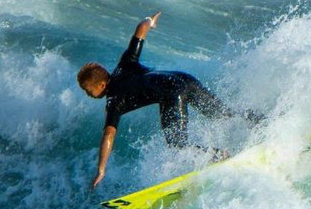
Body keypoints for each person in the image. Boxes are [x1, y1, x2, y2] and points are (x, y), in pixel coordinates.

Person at [78, 12, 260, 190]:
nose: (88, 94)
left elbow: (109, 134)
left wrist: (101, 169)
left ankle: (221, 155)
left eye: (88, 90)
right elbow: (140, 29)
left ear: (101, 84)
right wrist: (150, 21)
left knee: (177, 146)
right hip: (185, 79)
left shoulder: (114, 100)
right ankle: (261, 120)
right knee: (223, 114)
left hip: (172, 93)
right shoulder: (124, 64)